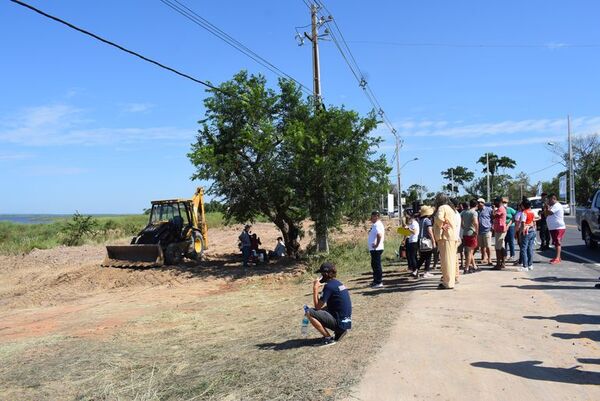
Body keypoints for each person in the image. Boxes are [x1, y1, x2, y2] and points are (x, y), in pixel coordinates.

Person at [306, 262, 352, 346]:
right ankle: (340, 331)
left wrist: (315, 289)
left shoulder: (329, 286)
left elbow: (317, 307)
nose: (320, 276)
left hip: (340, 323)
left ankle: (328, 338)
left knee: (309, 312)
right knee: (324, 309)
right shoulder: (337, 283)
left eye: (322, 274)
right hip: (346, 322)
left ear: (326, 274)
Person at [433, 193, 458, 290]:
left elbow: (439, 218)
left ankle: (447, 282)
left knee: (446, 261)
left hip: (445, 237)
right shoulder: (450, 208)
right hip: (451, 237)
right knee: (451, 260)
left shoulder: (442, 208)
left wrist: (441, 224)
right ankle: (450, 281)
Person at [415, 205, 436, 278]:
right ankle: (426, 272)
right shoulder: (427, 220)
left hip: (420, 240)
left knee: (422, 257)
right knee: (428, 256)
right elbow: (429, 231)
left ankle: (416, 269)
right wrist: (433, 241)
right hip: (426, 241)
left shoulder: (420, 220)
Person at [545, 193, 566, 264]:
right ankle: (557, 257)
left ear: (554, 198)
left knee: (558, 242)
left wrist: (546, 206)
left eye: (550, 200)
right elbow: (546, 214)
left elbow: (549, 212)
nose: (549, 201)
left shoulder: (557, 205)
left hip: (558, 227)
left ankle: (557, 258)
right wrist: (547, 208)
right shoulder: (552, 206)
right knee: (555, 243)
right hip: (553, 227)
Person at [461, 199, 479, 274]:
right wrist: (476, 231)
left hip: (465, 233)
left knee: (469, 251)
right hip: (471, 233)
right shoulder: (474, 212)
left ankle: (474, 266)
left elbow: (461, 222)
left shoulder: (464, 212)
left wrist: (464, 227)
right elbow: (475, 222)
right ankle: (467, 268)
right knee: (469, 252)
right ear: (476, 205)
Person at [368, 211, 385, 288]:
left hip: (376, 249)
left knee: (377, 265)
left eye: (372, 216)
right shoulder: (375, 225)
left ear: (376, 216)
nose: (371, 218)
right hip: (374, 249)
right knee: (374, 265)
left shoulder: (377, 224)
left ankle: (379, 282)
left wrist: (376, 244)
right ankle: (375, 281)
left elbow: (379, 235)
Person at [519, 200, 537, 271]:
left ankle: (525, 266)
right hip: (532, 230)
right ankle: (530, 265)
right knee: (530, 248)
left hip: (526, 231)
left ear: (523, 206)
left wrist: (520, 232)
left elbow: (523, 224)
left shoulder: (524, 213)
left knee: (523, 248)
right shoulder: (532, 212)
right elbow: (534, 221)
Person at [476, 198, 494, 266]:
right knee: (482, 246)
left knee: (488, 246)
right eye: (478, 202)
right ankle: (484, 258)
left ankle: (489, 259)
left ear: (483, 203)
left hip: (487, 230)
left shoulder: (489, 209)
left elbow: (492, 217)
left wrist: (492, 226)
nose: (478, 204)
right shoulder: (477, 210)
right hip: (480, 230)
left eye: (480, 202)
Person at [492, 197, 507, 270]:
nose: (494, 204)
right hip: (499, 229)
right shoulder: (501, 208)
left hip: (500, 230)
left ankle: (498, 264)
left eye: (495, 202)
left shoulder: (500, 209)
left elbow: (493, 216)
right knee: (501, 247)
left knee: (498, 248)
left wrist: (493, 209)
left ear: (499, 202)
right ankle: (502, 263)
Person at [405, 212, 420, 277]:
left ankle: (415, 270)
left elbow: (414, 232)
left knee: (413, 257)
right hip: (411, 241)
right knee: (412, 257)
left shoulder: (414, 223)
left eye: (408, 218)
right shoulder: (411, 223)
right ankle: (415, 270)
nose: (407, 219)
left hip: (414, 241)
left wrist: (408, 228)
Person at [503, 197, 517, 262]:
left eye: (505, 202)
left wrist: (511, 222)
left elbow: (515, 216)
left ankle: (512, 255)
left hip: (511, 226)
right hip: (503, 227)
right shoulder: (501, 209)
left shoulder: (510, 209)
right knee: (504, 241)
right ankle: (505, 255)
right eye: (503, 202)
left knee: (511, 241)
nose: (504, 204)